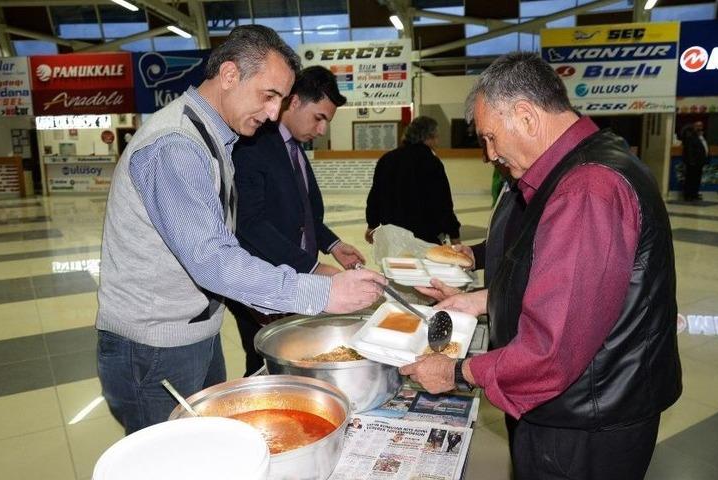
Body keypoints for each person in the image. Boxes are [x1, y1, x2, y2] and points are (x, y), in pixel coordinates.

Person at [400, 52, 682, 480]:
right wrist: (481, 299)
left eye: (491, 137)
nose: (489, 154)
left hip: (584, 421)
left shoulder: (587, 189)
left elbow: (552, 349)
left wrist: (457, 371)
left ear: (527, 117)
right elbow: (570, 285)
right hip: (587, 402)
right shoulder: (582, 167)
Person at [96, 25, 385, 435]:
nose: (272, 113)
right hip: (154, 347)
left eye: (281, 100)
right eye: (268, 96)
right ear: (230, 75)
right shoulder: (177, 145)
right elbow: (212, 259)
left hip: (196, 330)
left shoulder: (217, 140)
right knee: (169, 460)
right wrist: (320, 290)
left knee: (205, 446)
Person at [228, 66, 366, 375]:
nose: (322, 130)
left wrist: (333, 245)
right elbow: (249, 223)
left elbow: (304, 211)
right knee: (266, 360)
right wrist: (314, 267)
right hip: (262, 286)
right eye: (319, 118)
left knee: (294, 357)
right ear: (294, 103)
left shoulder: (294, 149)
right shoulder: (254, 145)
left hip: (295, 279)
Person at [365, 116, 461, 245]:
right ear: (429, 137)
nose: (437, 142)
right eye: (436, 137)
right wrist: (454, 234)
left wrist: (372, 224)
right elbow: (442, 203)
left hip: (393, 237)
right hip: (425, 237)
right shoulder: (431, 162)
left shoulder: (387, 159)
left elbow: (375, 196)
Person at [681, 120, 708, 201]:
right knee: (690, 179)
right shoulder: (691, 136)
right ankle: (688, 195)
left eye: (701, 126)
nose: (699, 128)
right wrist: (691, 161)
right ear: (694, 127)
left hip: (700, 162)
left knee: (697, 179)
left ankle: (694, 194)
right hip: (692, 163)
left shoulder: (701, 136)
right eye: (697, 126)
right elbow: (689, 150)